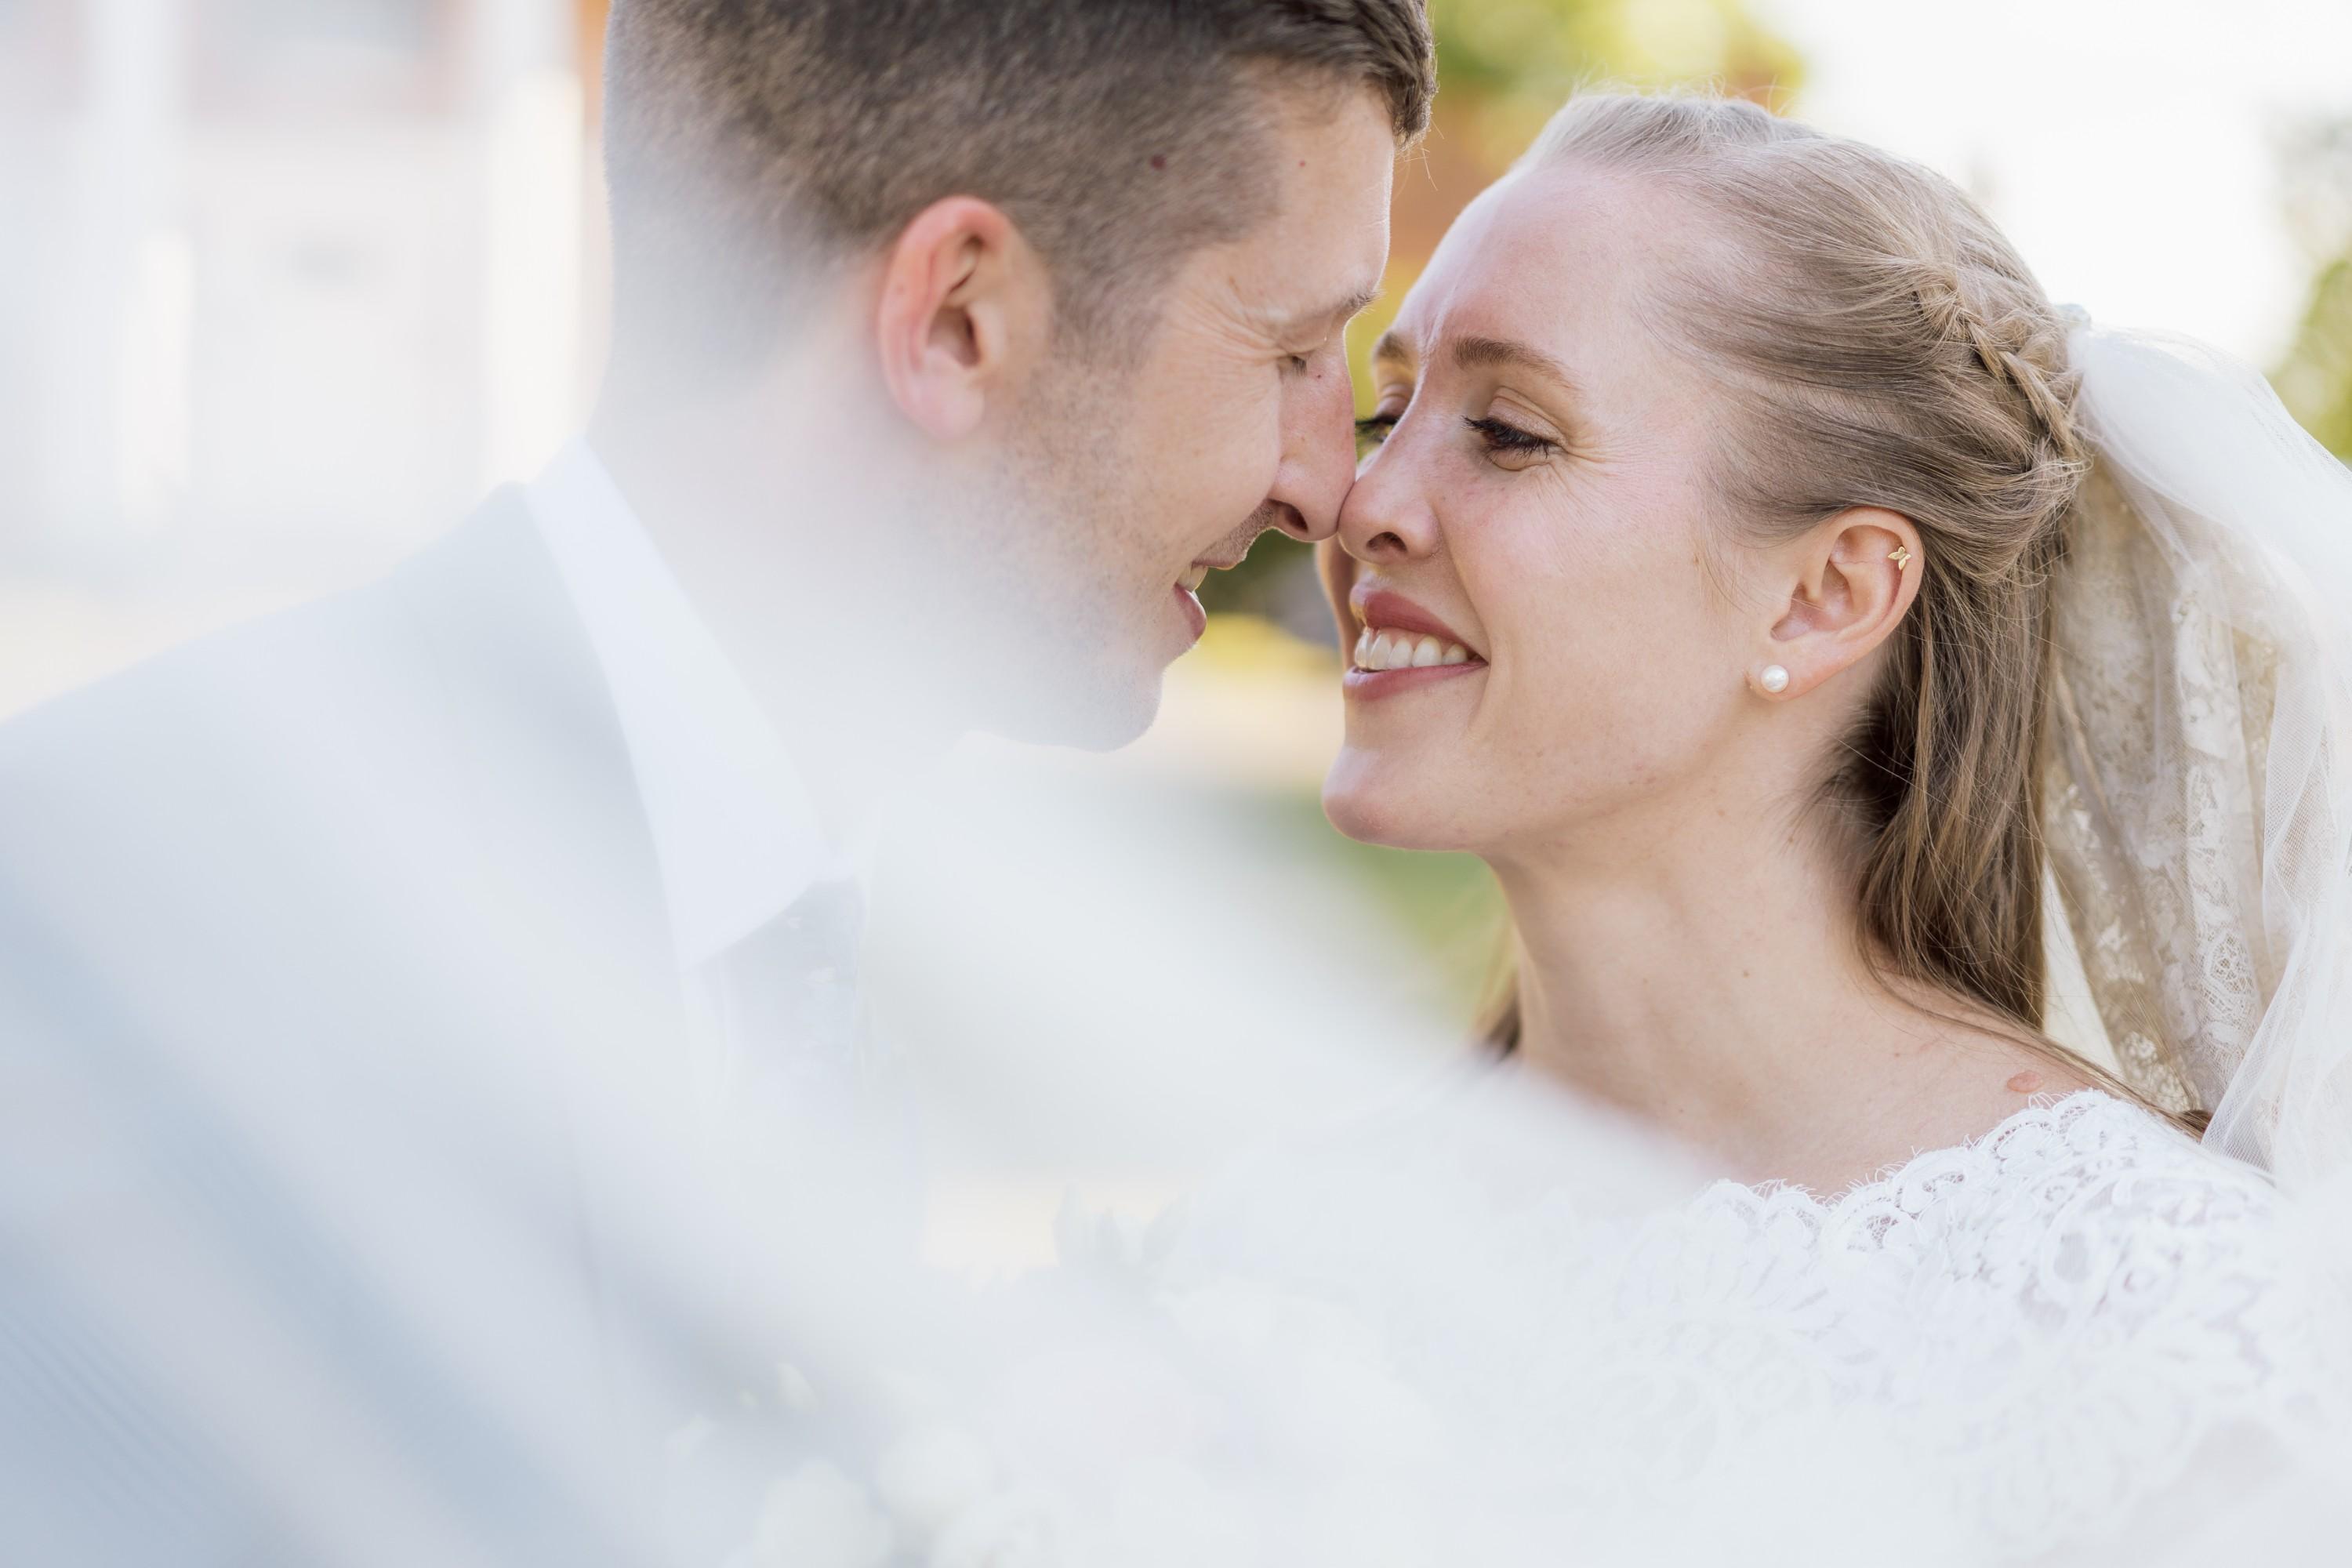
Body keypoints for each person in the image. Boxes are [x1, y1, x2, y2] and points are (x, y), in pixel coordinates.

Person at [0, 3, 1432, 1562]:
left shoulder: (791, 937)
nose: (1327, 481)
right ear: (955, 318)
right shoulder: (145, 902)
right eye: (1292, 350)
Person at [1276, 90, 2352, 1559]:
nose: (1365, 502)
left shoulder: (2163, 1325)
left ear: (1828, 591)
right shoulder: (1279, 1249)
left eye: (1511, 432)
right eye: (1384, 411)